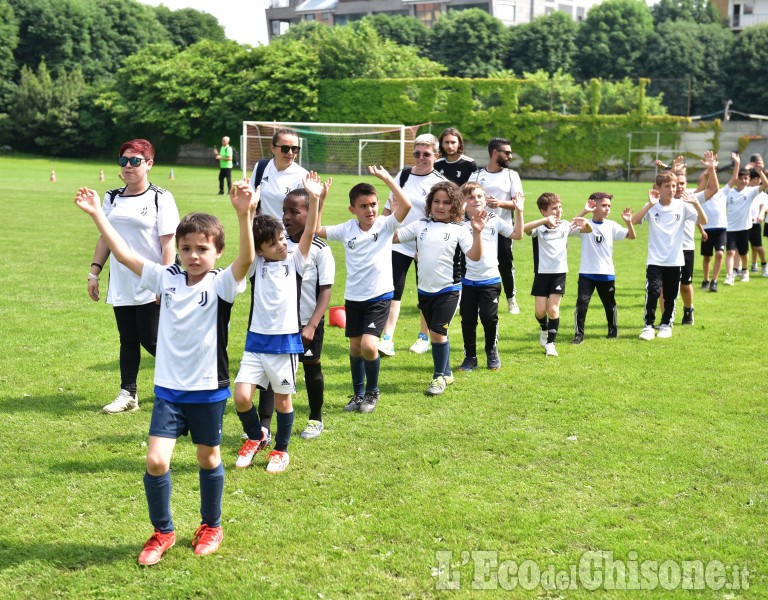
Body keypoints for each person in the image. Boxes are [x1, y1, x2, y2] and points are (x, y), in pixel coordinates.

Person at [74, 177, 256, 565]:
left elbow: (246, 262)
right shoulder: (166, 277)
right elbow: (123, 254)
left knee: (208, 459)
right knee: (156, 461)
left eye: (202, 249)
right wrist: (97, 215)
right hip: (169, 392)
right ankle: (163, 531)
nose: (192, 256)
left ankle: (211, 525)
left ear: (216, 252)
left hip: (208, 390)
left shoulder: (222, 285)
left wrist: (244, 215)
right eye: (186, 248)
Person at [233, 173, 321, 473]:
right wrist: (246, 210)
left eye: (282, 239)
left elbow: (309, 232)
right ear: (260, 251)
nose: (282, 245)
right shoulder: (255, 265)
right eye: (273, 244)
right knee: (242, 396)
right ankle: (257, 436)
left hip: (284, 344)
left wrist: (315, 197)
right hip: (256, 342)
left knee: (283, 403)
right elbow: (247, 243)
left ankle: (281, 450)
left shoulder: (295, 260)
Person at [88, 139, 180, 414]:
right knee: (127, 339)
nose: (128, 166)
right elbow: (106, 237)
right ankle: (128, 394)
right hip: (122, 282)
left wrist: (163, 282)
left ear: (149, 164)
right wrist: (94, 272)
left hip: (151, 281)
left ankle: (189, 381)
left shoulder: (160, 197)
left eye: (135, 161)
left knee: (151, 339)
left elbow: (168, 244)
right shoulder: (112, 197)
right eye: (124, 160)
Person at [316, 167, 412, 413]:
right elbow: (316, 229)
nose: (369, 210)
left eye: (372, 204)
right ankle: (358, 395)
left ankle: (372, 392)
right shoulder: (347, 228)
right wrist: (321, 198)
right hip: (354, 298)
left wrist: (387, 179)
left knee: (370, 346)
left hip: (379, 297)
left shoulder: (385, 225)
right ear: (352, 209)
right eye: (363, 206)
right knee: (355, 348)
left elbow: (407, 206)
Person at [394, 181, 487, 395]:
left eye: (446, 202)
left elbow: (474, 255)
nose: (441, 206)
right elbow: (394, 237)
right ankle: (446, 371)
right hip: (424, 291)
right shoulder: (421, 225)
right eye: (436, 201)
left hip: (449, 290)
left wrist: (478, 233)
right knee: (438, 334)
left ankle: (438, 379)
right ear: (430, 203)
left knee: (437, 332)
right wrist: (390, 219)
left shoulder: (459, 230)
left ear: (454, 206)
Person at [247, 128, 309, 436]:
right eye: (285, 147)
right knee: (259, 327)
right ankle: (260, 421)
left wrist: (291, 246)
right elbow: (251, 207)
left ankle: (268, 420)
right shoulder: (261, 169)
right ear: (273, 147)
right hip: (262, 254)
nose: (290, 153)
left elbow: (305, 215)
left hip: (288, 253)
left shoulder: (300, 175)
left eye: (295, 148)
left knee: (282, 331)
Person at [379, 133, 448, 357]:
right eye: (416, 153)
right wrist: (381, 231)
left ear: (436, 156)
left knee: (425, 293)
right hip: (398, 242)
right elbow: (390, 207)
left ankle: (424, 337)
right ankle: (387, 338)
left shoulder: (441, 182)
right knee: (393, 291)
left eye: (426, 154)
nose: (420, 158)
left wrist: (425, 243)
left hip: (425, 245)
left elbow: (443, 214)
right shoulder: (404, 174)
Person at [284, 186, 335, 439]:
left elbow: (325, 291)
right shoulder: (276, 244)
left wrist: (312, 325)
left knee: (311, 368)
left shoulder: (320, 249)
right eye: (285, 211)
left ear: (309, 213)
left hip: (307, 322)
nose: (287, 217)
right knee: (276, 372)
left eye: (294, 212)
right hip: (281, 324)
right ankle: (267, 424)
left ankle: (316, 418)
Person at [631, 171, 707, 340]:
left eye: (674, 186)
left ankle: (666, 325)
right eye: (667, 186)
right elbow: (634, 221)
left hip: (675, 260)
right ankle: (648, 326)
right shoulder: (652, 206)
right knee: (653, 291)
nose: (672, 189)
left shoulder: (683, 206)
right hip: (655, 260)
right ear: (658, 188)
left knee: (671, 295)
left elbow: (704, 220)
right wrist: (649, 205)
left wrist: (696, 203)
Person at [457, 182, 523, 372]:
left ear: (485, 199)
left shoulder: (493, 219)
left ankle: (491, 351)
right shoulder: (459, 223)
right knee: (468, 319)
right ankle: (470, 357)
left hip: (491, 280)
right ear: (463, 202)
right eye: (470, 197)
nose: (476, 200)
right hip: (467, 281)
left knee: (488, 317)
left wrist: (518, 211)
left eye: (479, 196)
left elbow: (517, 234)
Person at [524, 193, 591, 357]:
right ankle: (544, 329)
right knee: (540, 312)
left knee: (553, 309)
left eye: (560, 207)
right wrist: (545, 221)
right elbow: (524, 228)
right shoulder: (539, 229)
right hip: (541, 274)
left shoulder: (564, 226)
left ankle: (551, 344)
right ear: (543, 211)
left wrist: (586, 218)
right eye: (554, 209)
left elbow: (586, 230)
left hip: (559, 274)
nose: (559, 211)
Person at [468, 137, 524, 315]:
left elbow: (519, 202)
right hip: (478, 227)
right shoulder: (476, 175)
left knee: (505, 264)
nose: (510, 156)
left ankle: (511, 299)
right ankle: (471, 299)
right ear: (494, 153)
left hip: (503, 227)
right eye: (506, 152)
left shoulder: (511, 175)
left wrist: (499, 203)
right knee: (475, 262)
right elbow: (465, 198)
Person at [572, 193, 635, 344]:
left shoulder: (612, 225)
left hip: (606, 273)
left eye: (609, 206)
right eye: (604, 205)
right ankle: (579, 335)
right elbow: (569, 226)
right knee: (581, 305)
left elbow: (632, 236)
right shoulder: (585, 223)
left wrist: (628, 222)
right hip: (586, 273)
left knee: (609, 304)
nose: (607, 209)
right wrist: (584, 211)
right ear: (594, 207)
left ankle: (612, 330)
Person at [723, 153, 768, 286]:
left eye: (746, 178)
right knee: (730, 251)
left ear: (749, 180)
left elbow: (765, 184)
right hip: (730, 228)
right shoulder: (729, 193)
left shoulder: (751, 191)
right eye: (741, 178)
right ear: (736, 179)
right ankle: (729, 275)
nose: (743, 180)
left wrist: (760, 173)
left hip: (745, 228)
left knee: (743, 253)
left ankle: (745, 271)